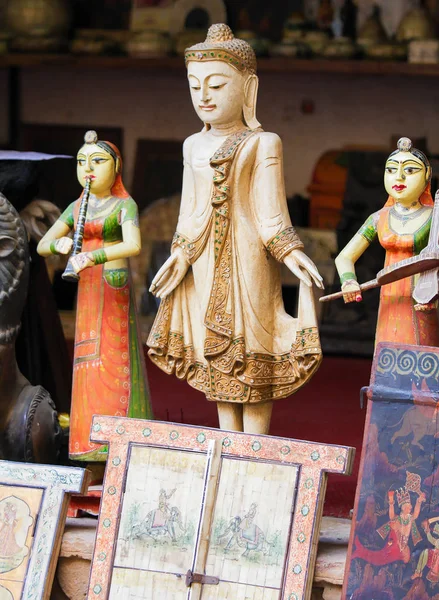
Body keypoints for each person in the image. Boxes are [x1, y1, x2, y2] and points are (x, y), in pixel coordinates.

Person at [147, 24, 323, 435]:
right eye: (194, 86)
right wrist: (180, 255)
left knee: (253, 361)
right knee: (217, 363)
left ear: (248, 88)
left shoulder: (264, 144)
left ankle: (255, 453)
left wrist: (290, 251)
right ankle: (227, 447)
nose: (203, 96)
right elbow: (189, 213)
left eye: (216, 84)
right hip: (204, 263)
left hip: (249, 263)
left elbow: (270, 214)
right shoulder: (193, 146)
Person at [37, 131, 152, 461]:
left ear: (115, 168)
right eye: (81, 162)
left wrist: (93, 256)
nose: (88, 169)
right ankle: (87, 444)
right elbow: (44, 243)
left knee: (113, 356)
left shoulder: (124, 204)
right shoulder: (76, 206)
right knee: (87, 357)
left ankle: (119, 438)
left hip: (112, 284)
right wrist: (59, 244)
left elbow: (133, 244)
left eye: (97, 161)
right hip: (88, 289)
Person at [335, 137, 439, 347]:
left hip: (421, 299)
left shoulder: (437, 218)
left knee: (419, 359)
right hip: (388, 301)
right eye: (391, 170)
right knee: (386, 352)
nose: (399, 177)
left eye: (410, 170)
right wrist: (349, 281)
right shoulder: (378, 218)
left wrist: (433, 290)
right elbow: (344, 256)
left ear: (427, 176)